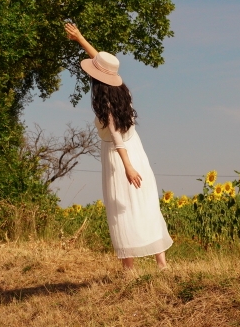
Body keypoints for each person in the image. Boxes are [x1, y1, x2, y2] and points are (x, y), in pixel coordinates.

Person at [64, 22, 172, 271]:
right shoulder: (124, 92)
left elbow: (116, 139)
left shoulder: (106, 106)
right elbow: (103, 63)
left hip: (119, 157)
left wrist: (128, 168)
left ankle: (129, 269)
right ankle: (161, 263)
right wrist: (80, 38)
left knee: (120, 209)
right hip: (137, 150)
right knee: (145, 203)